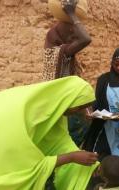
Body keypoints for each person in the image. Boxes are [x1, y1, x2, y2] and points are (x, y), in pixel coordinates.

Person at [0, 76, 99, 190]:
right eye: (80, 107)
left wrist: (92, 165)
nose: (84, 112)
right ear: (67, 100)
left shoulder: (52, 109)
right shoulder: (21, 118)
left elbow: (58, 143)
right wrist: (72, 157)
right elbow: (29, 169)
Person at [42, 0, 92, 147]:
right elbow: (85, 38)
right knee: (68, 138)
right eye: (69, 32)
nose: (73, 35)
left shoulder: (63, 54)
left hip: (67, 101)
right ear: (58, 35)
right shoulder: (58, 52)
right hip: (62, 103)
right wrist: (72, 14)